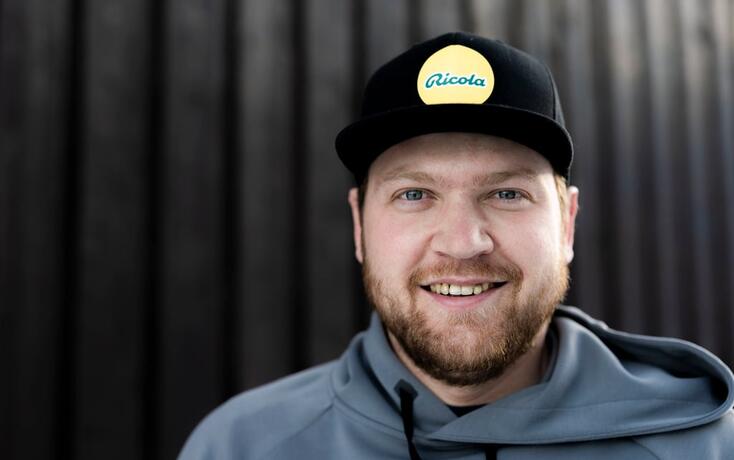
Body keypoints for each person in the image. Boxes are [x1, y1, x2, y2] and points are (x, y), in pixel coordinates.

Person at [179, 32, 734, 459]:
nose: (463, 243)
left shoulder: (707, 446)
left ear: (566, 224)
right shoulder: (239, 446)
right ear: (359, 227)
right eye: (414, 194)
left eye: (508, 193)